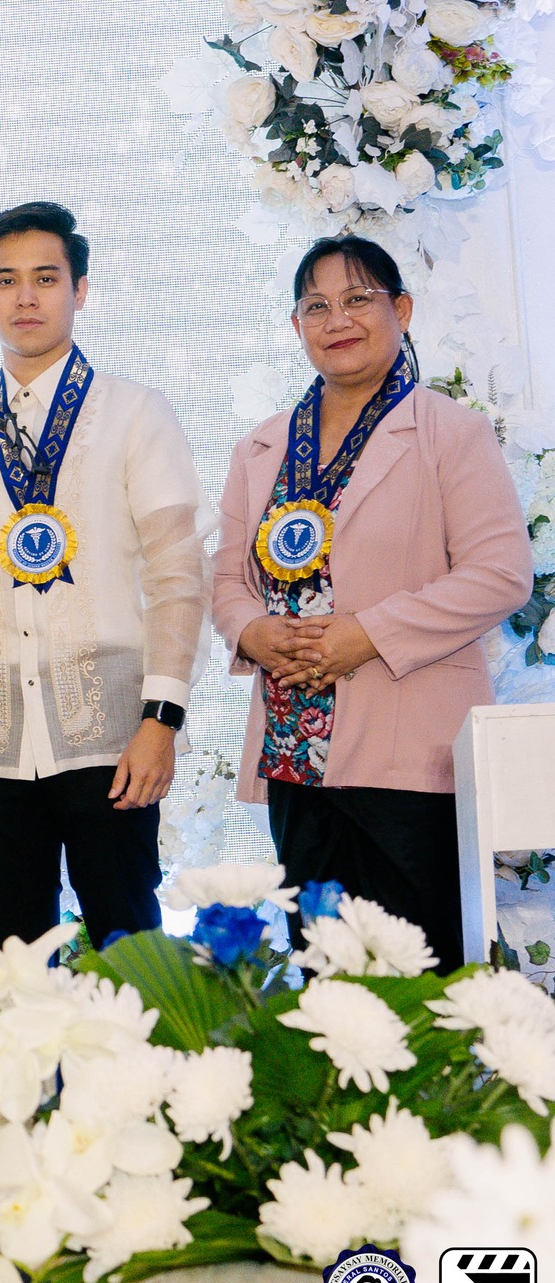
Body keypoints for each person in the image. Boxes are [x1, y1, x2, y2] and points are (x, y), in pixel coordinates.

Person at [212, 234, 532, 972]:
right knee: (326, 984)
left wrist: (370, 633)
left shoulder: (450, 433)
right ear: (297, 327)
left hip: (409, 756)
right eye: (316, 306)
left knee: (420, 984)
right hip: (298, 757)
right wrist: (254, 630)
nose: (337, 319)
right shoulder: (260, 448)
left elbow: (500, 572)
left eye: (359, 298)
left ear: (403, 311)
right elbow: (227, 580)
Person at [0, 202, 210, 953]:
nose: (26, 298)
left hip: (110, 741)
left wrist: (160, 721)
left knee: (133, 961)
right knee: (14, 974)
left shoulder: (134, 413)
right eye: (5, 282)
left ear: (81, 290)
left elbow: (179, 576)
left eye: (46, 278)